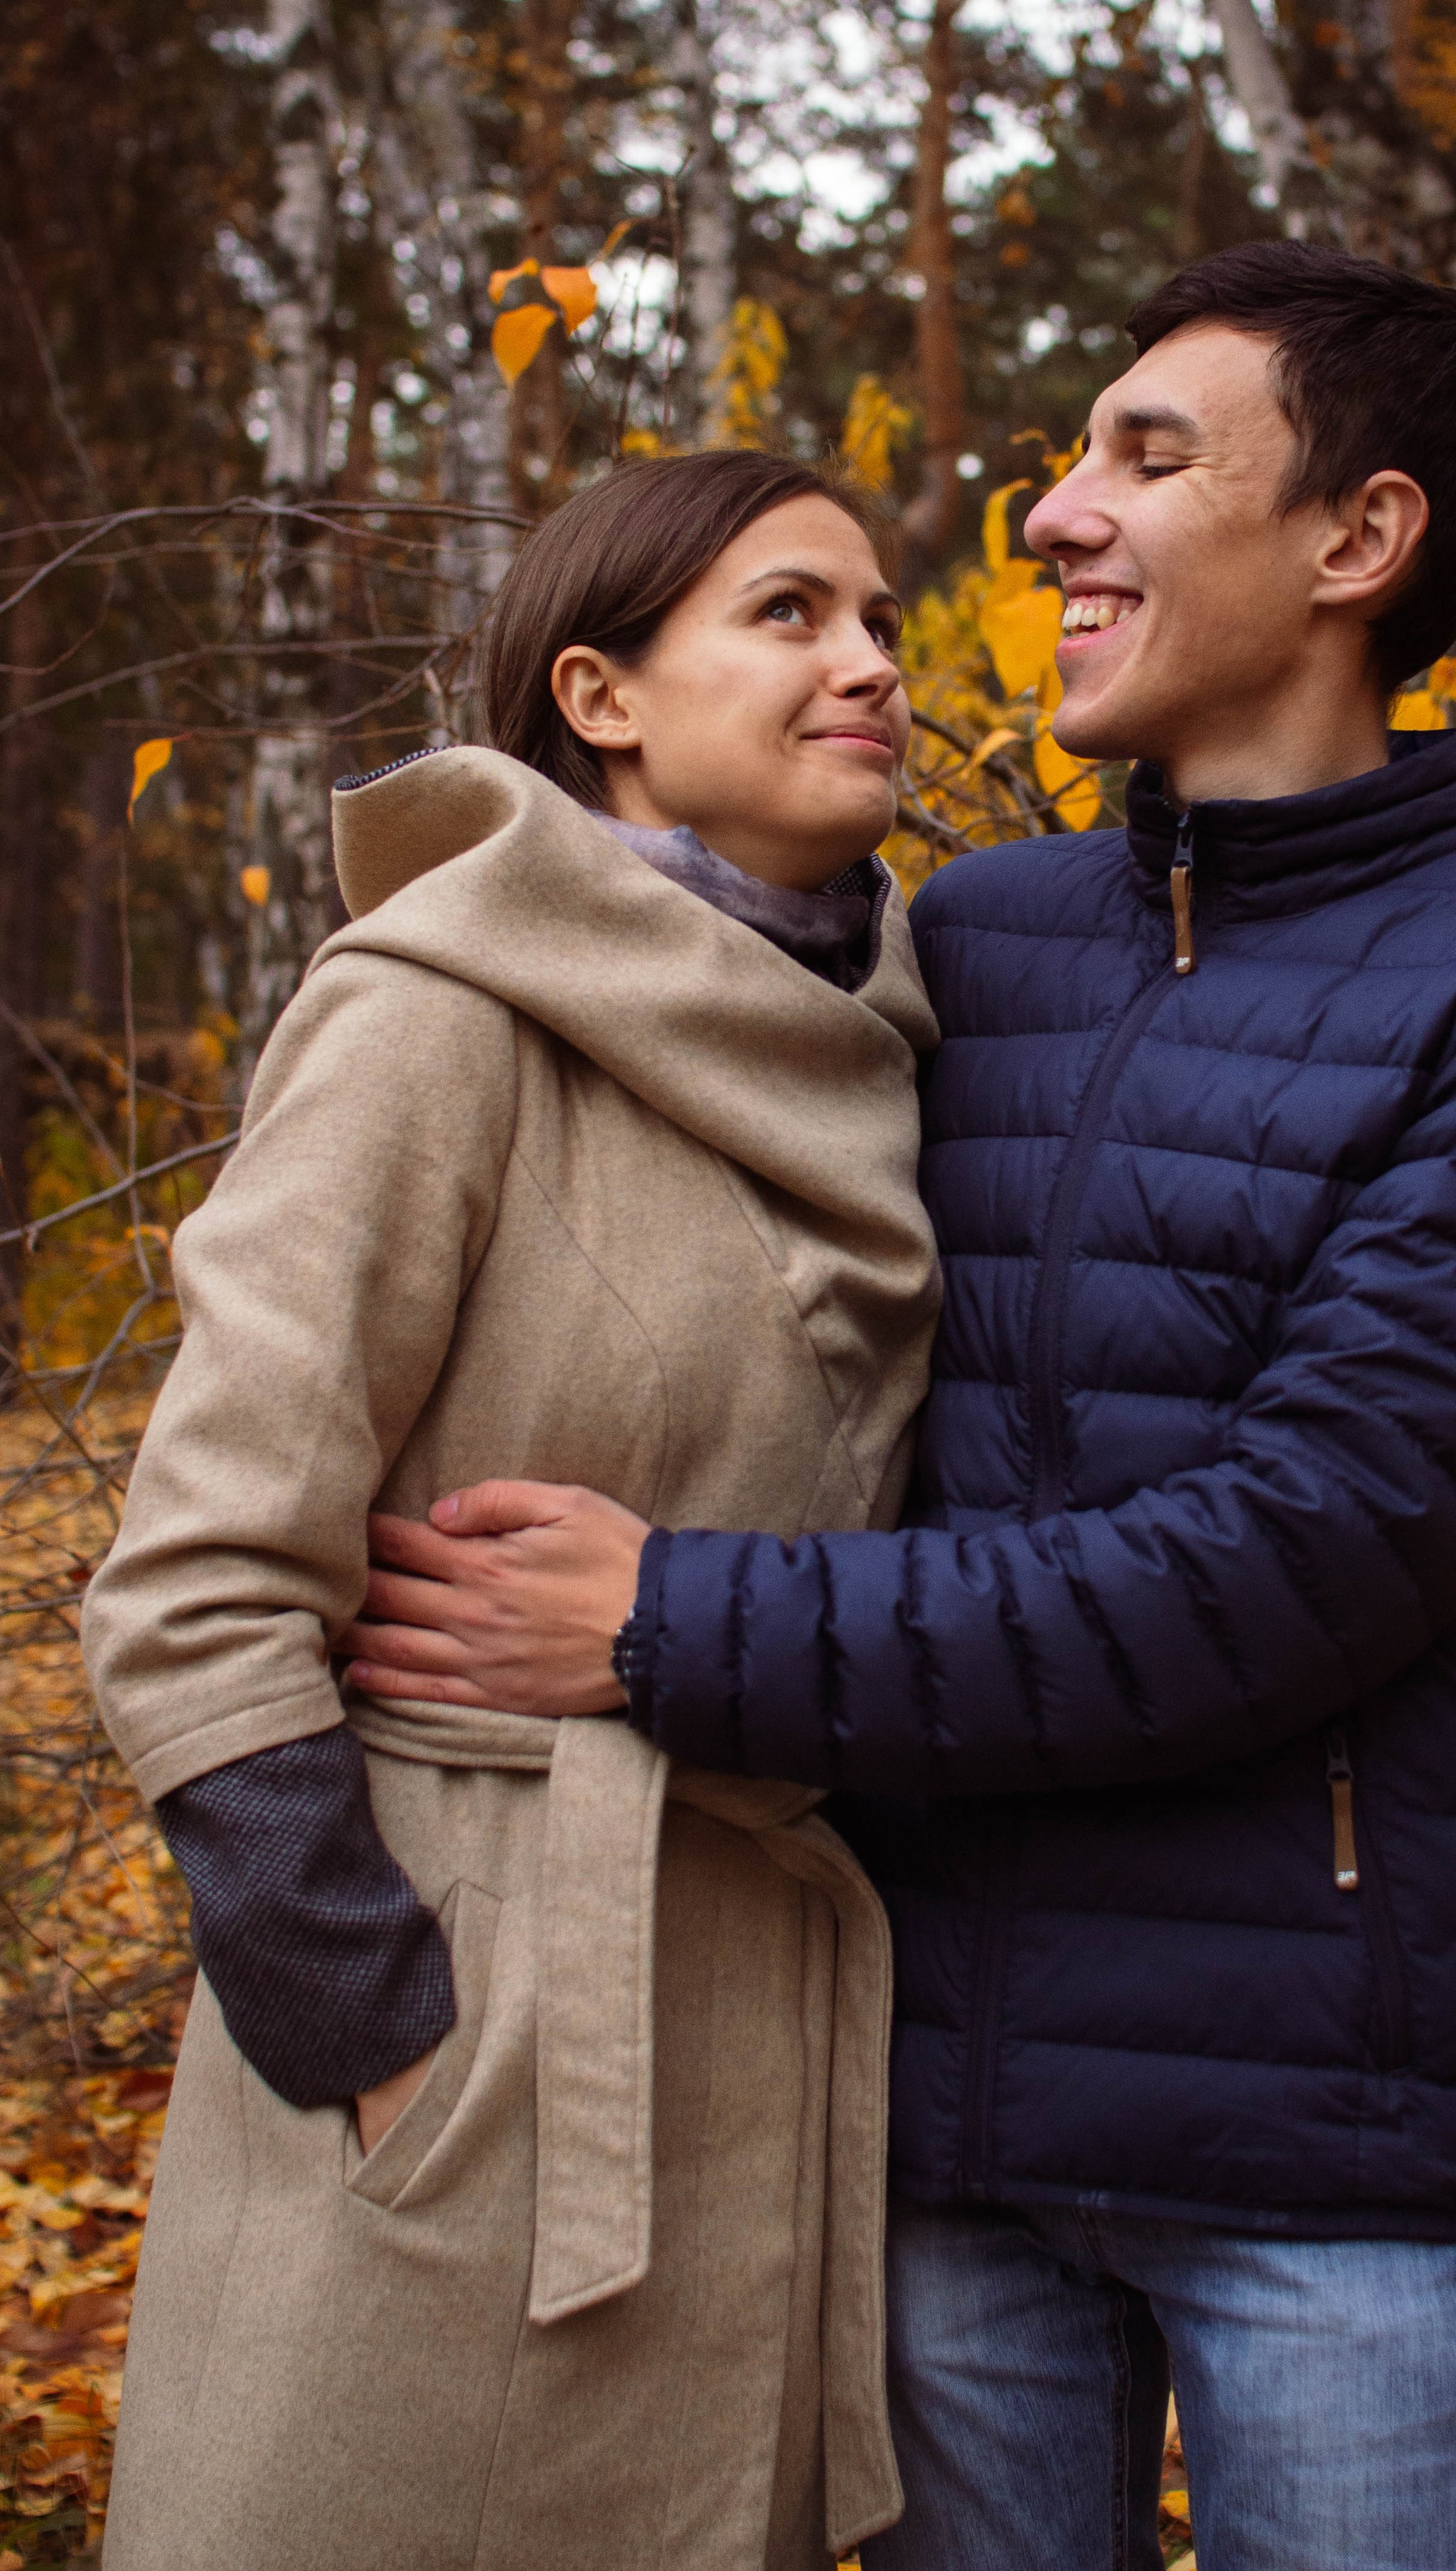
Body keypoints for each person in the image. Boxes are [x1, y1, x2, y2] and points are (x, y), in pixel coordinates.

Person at [346, 244, 1456, 2571]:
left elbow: (1300, 1568)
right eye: (1072, 454)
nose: (1053, 516)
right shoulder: (962, 944)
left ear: (1359, 545)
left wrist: (670, 1624)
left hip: (1325, 2148)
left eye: (1148, 459)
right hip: (929, 2121)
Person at [80, 449, 943, 2571]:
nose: (875, 667)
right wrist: (387, 2043)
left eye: (888, 623)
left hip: (759, 2022)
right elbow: (195, 1586)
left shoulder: (898, 1057)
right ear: (603, 694)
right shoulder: (433, 1019)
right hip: (467, 2015)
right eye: (792, 613)